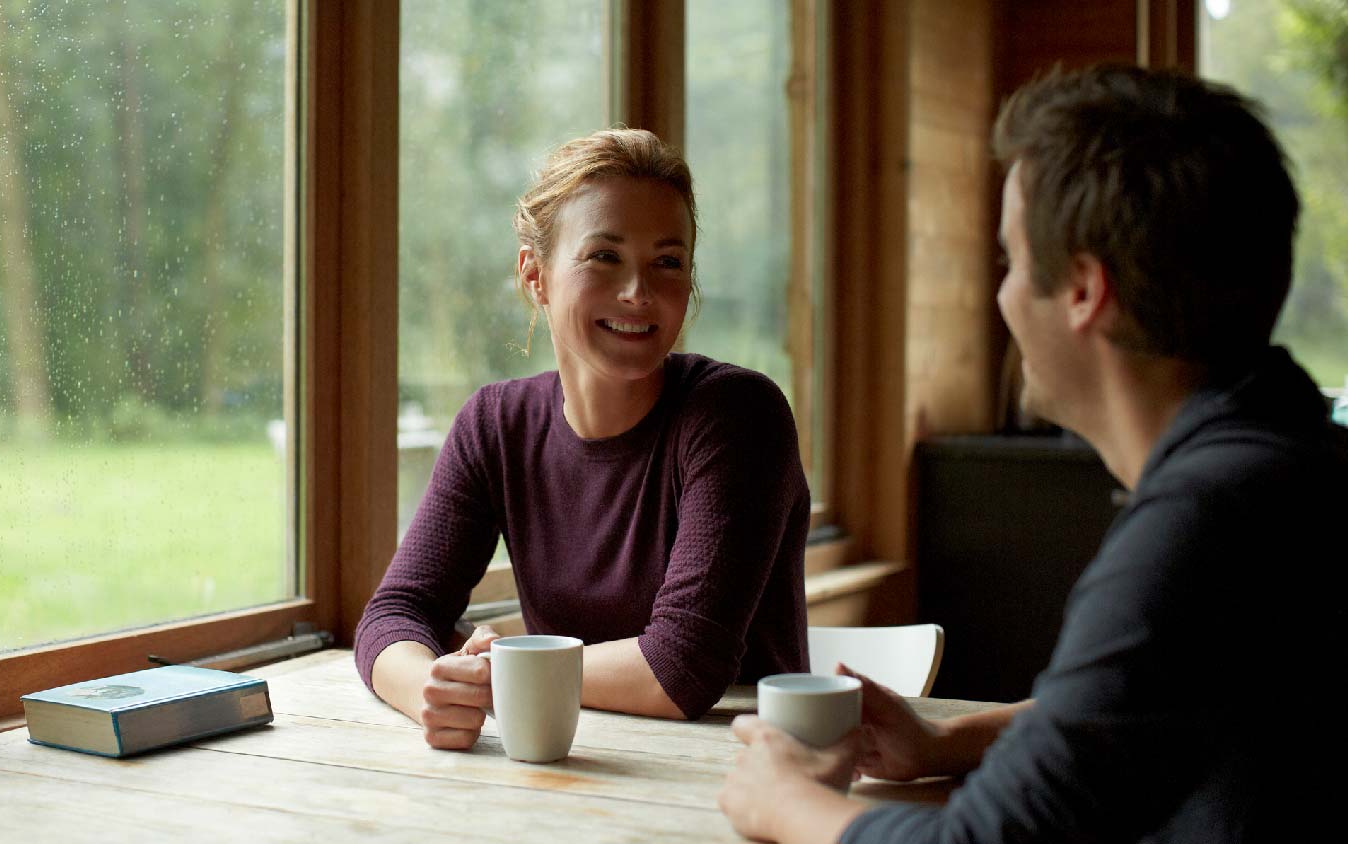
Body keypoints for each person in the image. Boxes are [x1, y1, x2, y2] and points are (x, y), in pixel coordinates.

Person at [719, 64, 1348, 843]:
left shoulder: (1206, 519)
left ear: (1084, 290)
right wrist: (948, 740)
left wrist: (787, 804)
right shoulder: (1294, 462)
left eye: (1011, 262)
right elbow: (1144, 703)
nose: (1003, 297)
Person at [355, 128, 811, 747]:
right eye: (604, 256)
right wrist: (430, 693)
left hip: (742, 771)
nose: (638, 293)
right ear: (535, 275)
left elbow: (681, 669)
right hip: (571, 757)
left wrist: (503, 672)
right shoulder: (495, 426)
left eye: (668, 263)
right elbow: (394, 615)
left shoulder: (736, 415)